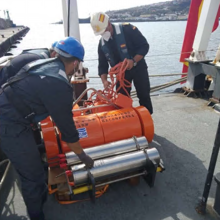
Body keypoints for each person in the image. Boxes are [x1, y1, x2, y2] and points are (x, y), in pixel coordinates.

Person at [0, 37, 94, 220]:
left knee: (32, 163)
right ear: (75, 62)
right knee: (33, 176)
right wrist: (83, 156)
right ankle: (36, 215)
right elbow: (68, 133)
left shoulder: (42, 63)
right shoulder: (59, 84)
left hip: (12, 112)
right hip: (9, 123)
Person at [90, 12, 153, 114]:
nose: (103, 34)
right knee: (121, 100)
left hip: (138, 68)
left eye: (104, 30)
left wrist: (133, 61)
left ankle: (147, 121)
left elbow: (144, 46)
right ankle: (127, 122)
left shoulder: (127, 30)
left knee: (144, 94)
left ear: (109, 24)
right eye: (101, 32)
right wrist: (105, 81)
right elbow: (102, 65)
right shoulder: (101, 45)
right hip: (121, 75)